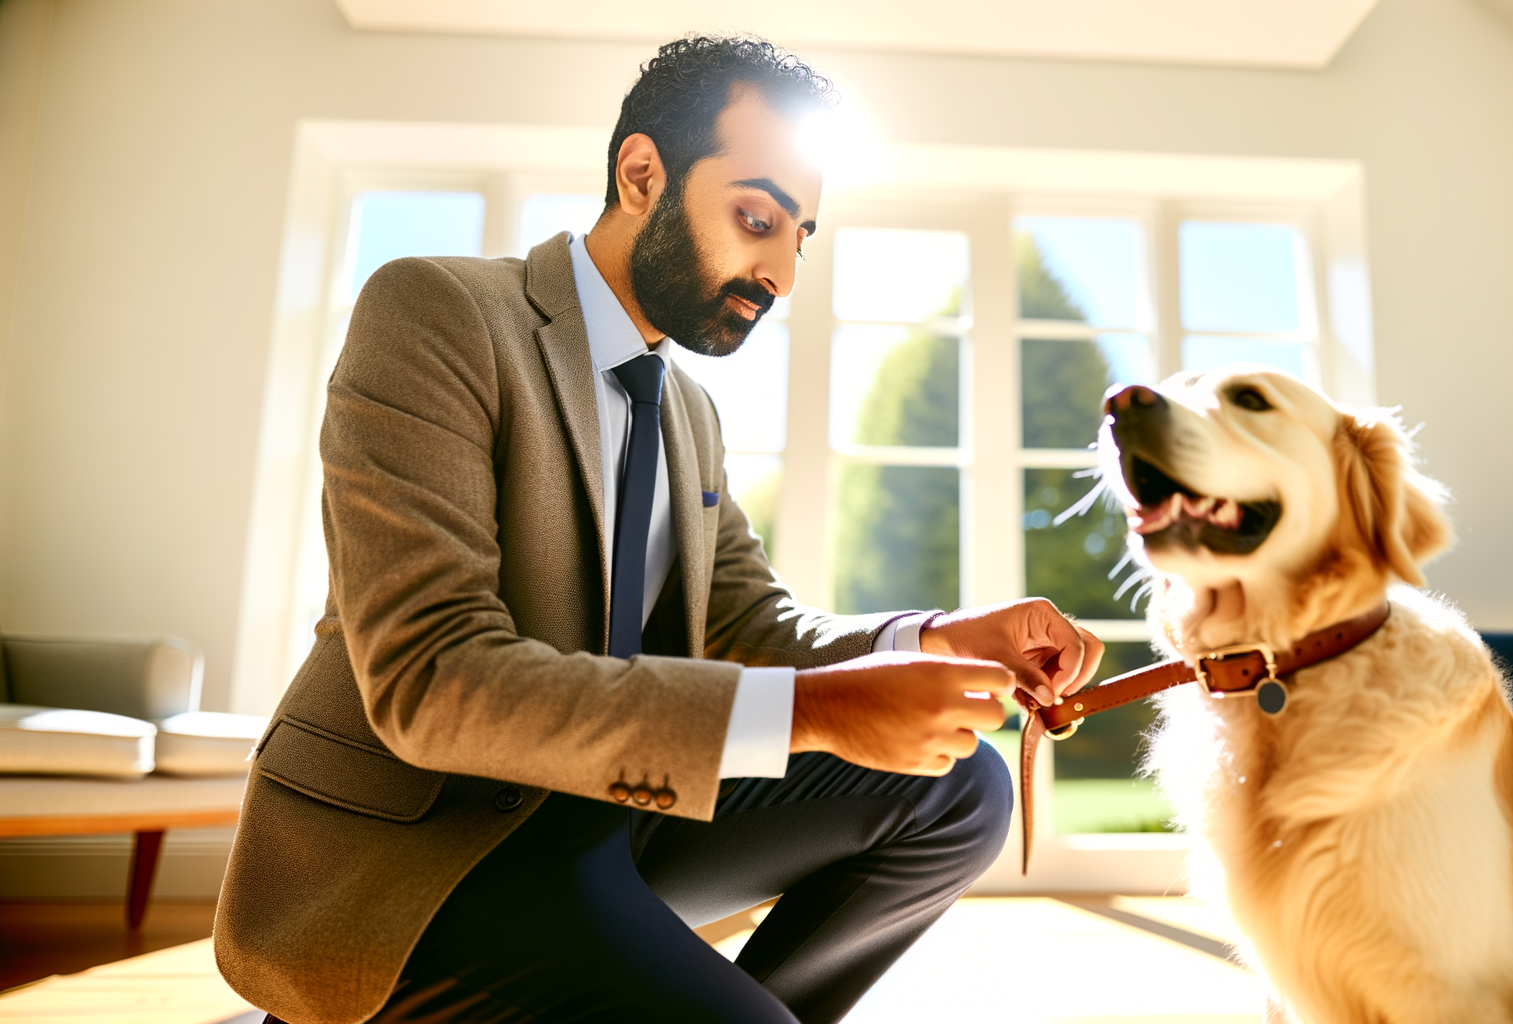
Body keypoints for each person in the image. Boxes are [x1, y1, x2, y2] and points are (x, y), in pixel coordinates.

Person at [215, 35, 1103, 1024]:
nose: (781, 273)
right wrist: (812, 712)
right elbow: (432, 681)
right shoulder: (438, 312)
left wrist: (933, 639)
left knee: (962, 791)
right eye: (756, 218)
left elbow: (751, 620)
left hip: (612, 813)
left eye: (799, 236)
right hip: (433, 844)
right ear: (642, 173)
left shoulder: (688, 412)